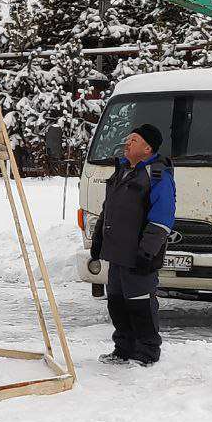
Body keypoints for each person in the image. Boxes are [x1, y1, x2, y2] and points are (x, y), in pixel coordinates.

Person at [89, 123, 175, 366]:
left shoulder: (157, 175)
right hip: (117, 254)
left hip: (138, 256)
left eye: (134, 140)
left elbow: (162, 218)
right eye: (128, 139)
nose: (127, 143)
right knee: (117, 303)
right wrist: (98, 240)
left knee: (140, 304)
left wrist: (147, 252)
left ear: (148, 148)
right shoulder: (122, 171)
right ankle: (123, 347)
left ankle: (147, 352)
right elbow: (108, 211)